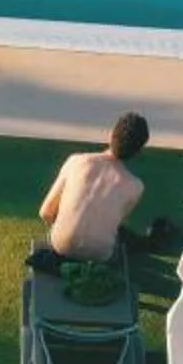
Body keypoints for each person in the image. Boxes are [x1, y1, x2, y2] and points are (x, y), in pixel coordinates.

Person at [38, 113, 150, 263]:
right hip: (100, 255)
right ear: (138, 151)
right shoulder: (136, 186)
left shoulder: (76, 161)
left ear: (111, 135)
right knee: (120, 246)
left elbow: (46, 212)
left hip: (60, 246)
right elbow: (116, 224)